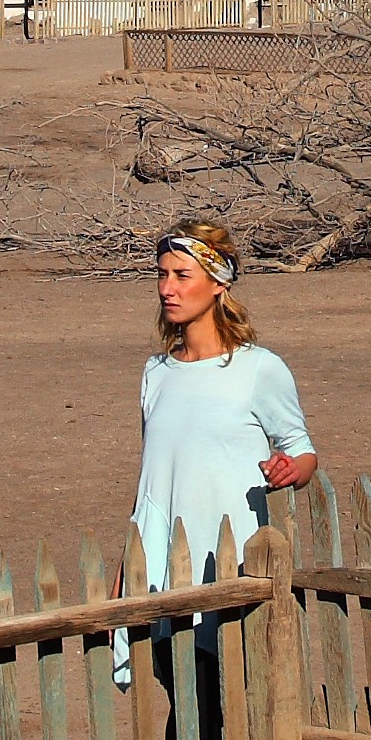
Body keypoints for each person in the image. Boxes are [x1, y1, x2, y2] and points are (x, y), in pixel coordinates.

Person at [131, 218, 317, 594]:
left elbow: (303, 452)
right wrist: (126, 567)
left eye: (182, 276)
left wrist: (290, 470)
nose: (167, 289)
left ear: (218, 282)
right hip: (158, 572)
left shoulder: (259, 368)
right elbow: (152, 484)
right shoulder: (156, 372)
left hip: (233, 565)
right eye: (162, 275)